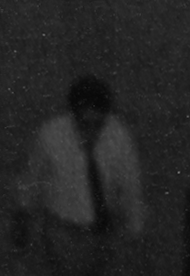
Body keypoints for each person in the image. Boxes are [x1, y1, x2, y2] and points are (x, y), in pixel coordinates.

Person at [11, 74, 148, 261]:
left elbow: (130, 187)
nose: (91, 133)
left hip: (104, 233)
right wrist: (22, 217)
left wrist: (135, 231)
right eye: (85, 124)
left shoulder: (119, 138)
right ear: (73, 116)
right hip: (61, 231)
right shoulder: (51, 136)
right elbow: (32, 179)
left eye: (98, 125)